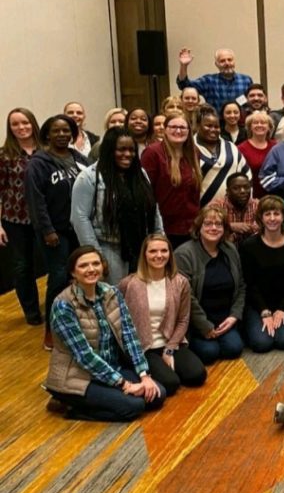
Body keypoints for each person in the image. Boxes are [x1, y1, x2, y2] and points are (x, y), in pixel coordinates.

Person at [45, 246, 166, 421]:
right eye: (83, 265)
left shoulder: (112, 293)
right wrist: (124, 384)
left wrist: (143, 375)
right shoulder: (63, 305)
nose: (91, 269)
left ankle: (104, 396)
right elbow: (84, 356)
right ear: (72, 272)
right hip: (77, 377)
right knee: (134, 407)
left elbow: (130, 336)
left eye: (96, 263)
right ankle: (72, 407)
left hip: (109, 370)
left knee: (157, 394)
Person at [27, 114, 90, 348]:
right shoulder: (38, 163)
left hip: (78, 229)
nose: (62, 135)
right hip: (54, 232)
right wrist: (46, 230)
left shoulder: (79, 159)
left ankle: (76, 324)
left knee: (80, 277)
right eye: (57, 131)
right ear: (47, 134)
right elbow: (36, 200)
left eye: (66, 131)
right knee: (59, 277)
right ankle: (51, 330)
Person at [119, 233, 207, 395]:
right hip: (145, 347)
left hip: (170, 342)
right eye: (153, 251)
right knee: (171, 384)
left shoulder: (180, 282)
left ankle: (166, 366)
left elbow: (183, 319)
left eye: (164, 251)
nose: (159, 255)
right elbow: (120, 321)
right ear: (144, 255)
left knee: (197, 375)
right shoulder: (129, 283)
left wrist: (170, 349)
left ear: (170, 254)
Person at [71, 127, 161, 283]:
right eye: (121, 149)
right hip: (109, 249)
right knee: (115, 299)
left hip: (141, 247)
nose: (127, 154)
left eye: (131, 150)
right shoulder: (89, 177)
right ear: (109, 150)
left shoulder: (140, 173)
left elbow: (154, 209)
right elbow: (80, 219)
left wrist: (160, 240)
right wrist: (96, 257)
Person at [174, 206, 245, 364]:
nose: (213, 228)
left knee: (234, 349)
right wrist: (204, 326)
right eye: (208, 223)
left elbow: (241, 286)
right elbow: (186, 297)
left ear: (224, 228)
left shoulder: (230, 249)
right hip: (196, 321)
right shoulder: (184, 254)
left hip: (225, 318)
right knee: (209, 353)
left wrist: (234, 316)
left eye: (218, 224)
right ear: (199, 227)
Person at [239, 196, 284, 352]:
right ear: (260, 218)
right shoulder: (249, 246)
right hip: (258, 304)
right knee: (262, 344)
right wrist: (264, 311)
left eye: (276, 214)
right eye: (267, 214)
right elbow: (249, 283)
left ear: (283, 217)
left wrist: (283, 308)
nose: (272, 218)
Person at [0, 107, 44, 324]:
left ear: (33, 124)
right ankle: (32, 313)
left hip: (44, 217)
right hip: (15, 219)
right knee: (22, 265)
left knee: (54, 263)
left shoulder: (46, 150)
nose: (21, 127)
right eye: (15, 124)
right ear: (10, 128)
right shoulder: (4, 154)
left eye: (25, 122)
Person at [141, 114, 201, 248]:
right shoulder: (152, 153)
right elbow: (145, 193)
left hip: (190, 227)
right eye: (173, 127)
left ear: (189, 131)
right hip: (163, 228)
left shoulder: (194, 152)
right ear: (165, 129)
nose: (178, 131)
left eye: (182, 127)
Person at [194, 106, 250, 206]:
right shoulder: (190, 148)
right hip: (200, 209)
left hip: (231, 208)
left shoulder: (231, 147)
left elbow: (246, 175)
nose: (213, 130)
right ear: (198, 126)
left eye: (216, 127)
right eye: (208, 126)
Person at [176, 47, 253, 114]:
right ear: (216, 64)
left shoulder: (246, 80)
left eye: (229, 60)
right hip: (215, 126)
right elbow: (184, 85)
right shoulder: (209, 81)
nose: (227, 63)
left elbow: (251, 103)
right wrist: (183, 66)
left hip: (240, 126)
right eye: (222, 61)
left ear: (234, 62)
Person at [208, 172, 259, 243]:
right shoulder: (216, 206)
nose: (242, 191)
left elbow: (263, 227)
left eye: (246, 187)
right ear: (227, 191)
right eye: (236, 188)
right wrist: (230, 226)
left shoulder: (258, 205)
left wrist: (250, 229)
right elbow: (207, 228)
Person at [237, 111, 276, 198]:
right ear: (250, 127)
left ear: (269, 127)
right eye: (255, 123)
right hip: (251, 196)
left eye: (263, 123)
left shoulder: (276, 147)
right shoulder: (240, 149)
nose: (259, 125)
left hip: (274, 196)